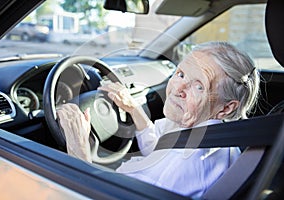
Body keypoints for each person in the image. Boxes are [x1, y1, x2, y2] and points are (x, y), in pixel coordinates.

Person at [56, 41, 260, 198]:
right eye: (180, 74)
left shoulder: (189, 165)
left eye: (199, 86)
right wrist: (134, 109)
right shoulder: (206, 135)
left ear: (226, 108)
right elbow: (158, 152)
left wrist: (78, 152)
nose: (177, 89)